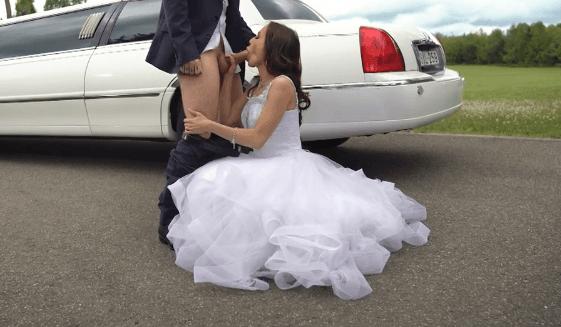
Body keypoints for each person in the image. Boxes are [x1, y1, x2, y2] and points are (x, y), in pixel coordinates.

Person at [167, 22, 430, 300]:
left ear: (273, 48)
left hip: (286, 165)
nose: (249, 43)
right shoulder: (255, 86)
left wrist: (209, 125)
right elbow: (231, 120)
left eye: (257, 38)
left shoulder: (282, 84)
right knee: (210, 182)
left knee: (282, 215)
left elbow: (257, 138)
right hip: (257, 163)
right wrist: (229, 73)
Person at [146, 0, 272, 247]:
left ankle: (208, 214)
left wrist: (265, 48)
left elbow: (232, 20)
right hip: (197, 52)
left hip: (224, 55)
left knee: (224, 136)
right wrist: (185, 52)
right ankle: (169, 217)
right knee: (199, 135)